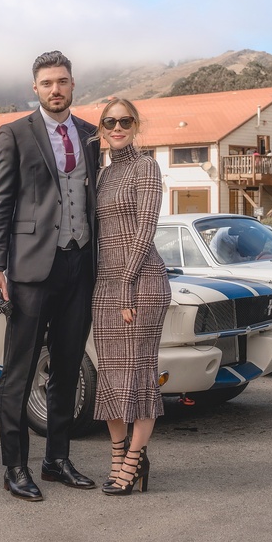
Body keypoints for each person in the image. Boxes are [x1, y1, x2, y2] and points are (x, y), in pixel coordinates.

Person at [0, 51, 100, 502]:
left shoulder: (90, 135)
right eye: (47, 82)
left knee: (66, 368)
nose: (56, 89)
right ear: (36, 87)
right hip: (31, 268)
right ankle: (15, 467)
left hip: (80, 264)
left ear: (73, 85)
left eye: (63, 81)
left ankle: (56, 460)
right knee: (20, 371)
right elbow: (1, 204)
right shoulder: (14, 133)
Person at [91, 98, 170, 495]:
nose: (117, 127)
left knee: (138, 377)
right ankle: (119, 456)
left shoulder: (147, 168)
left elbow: (145, 230)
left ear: (136, 126)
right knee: (111, 377)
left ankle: (134, 461)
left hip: (141, 284)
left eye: (125, 121)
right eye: (110, 121)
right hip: (105, 287)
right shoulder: (103, 176)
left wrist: (125, 284)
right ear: (101, 128)